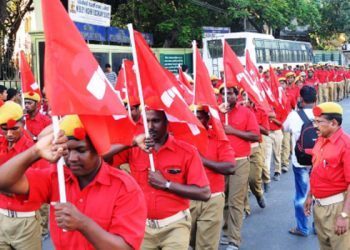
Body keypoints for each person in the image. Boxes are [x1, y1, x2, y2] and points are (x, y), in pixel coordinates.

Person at [0, 115, 147, 249]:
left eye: (81, 150)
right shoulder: (57, 178)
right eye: (66, 151)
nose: (72, 158)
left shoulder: (124, 188)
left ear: (99, 149)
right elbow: (4, 181)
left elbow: (126, 247)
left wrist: (83, 224)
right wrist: (36, 151)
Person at [110, 109, 211, 250]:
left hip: (175, 226)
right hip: (142, 228)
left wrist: (166, 184)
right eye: (147, 121)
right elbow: (101, 158)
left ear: (167, 122)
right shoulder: (135, 149)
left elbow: (204, 193)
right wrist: (132, 142)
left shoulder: (187, 151)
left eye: (156, 121)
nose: (150, 126)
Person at [304, 102, 350, 249]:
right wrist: (310, 195)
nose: (315, 126)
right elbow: (317, 170)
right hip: (320, 207)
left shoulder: (346, 145)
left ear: (334, 123)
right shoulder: (320, 140)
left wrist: (344, 216)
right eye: (314, 121)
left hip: (337, 208)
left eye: (319, 122)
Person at [219, 86, 260, 250]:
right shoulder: (216, 113)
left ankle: (234, 240)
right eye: (223, 93)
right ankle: (227, 231)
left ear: (237, 95)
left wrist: (232, 131)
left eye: (230, 93)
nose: (226, 96)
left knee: (235, 200)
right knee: (224, 199)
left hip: (240, 161)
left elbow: (255, 135)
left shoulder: (246, 113)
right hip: (220, 163)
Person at [190, 105, 236, 250]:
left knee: (206, 246)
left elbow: (230, 167)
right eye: (192, 117)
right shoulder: (179, 139)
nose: (196, 121)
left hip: (212, 198)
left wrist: (203, 160)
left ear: (207, 118)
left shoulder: (218, 139)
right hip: (186, 198)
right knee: (188, 242)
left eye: (199, 117)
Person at [0, 101, 44, 249]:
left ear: (23, 123)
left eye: (14, 129)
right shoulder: (1, 146)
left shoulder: (34, 152)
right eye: (4, 129)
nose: (9, 134)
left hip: (26, 223)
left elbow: (35, 189)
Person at [283, 86, 317, 237]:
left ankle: (303, 228)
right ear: (315, 100)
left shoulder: (294, 115)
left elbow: (285, 128)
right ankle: (319, 226)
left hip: (300, 161)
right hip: (319, 160)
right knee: (320, 193)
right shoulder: (322, 114)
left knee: (301, 195)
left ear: (301, 99)